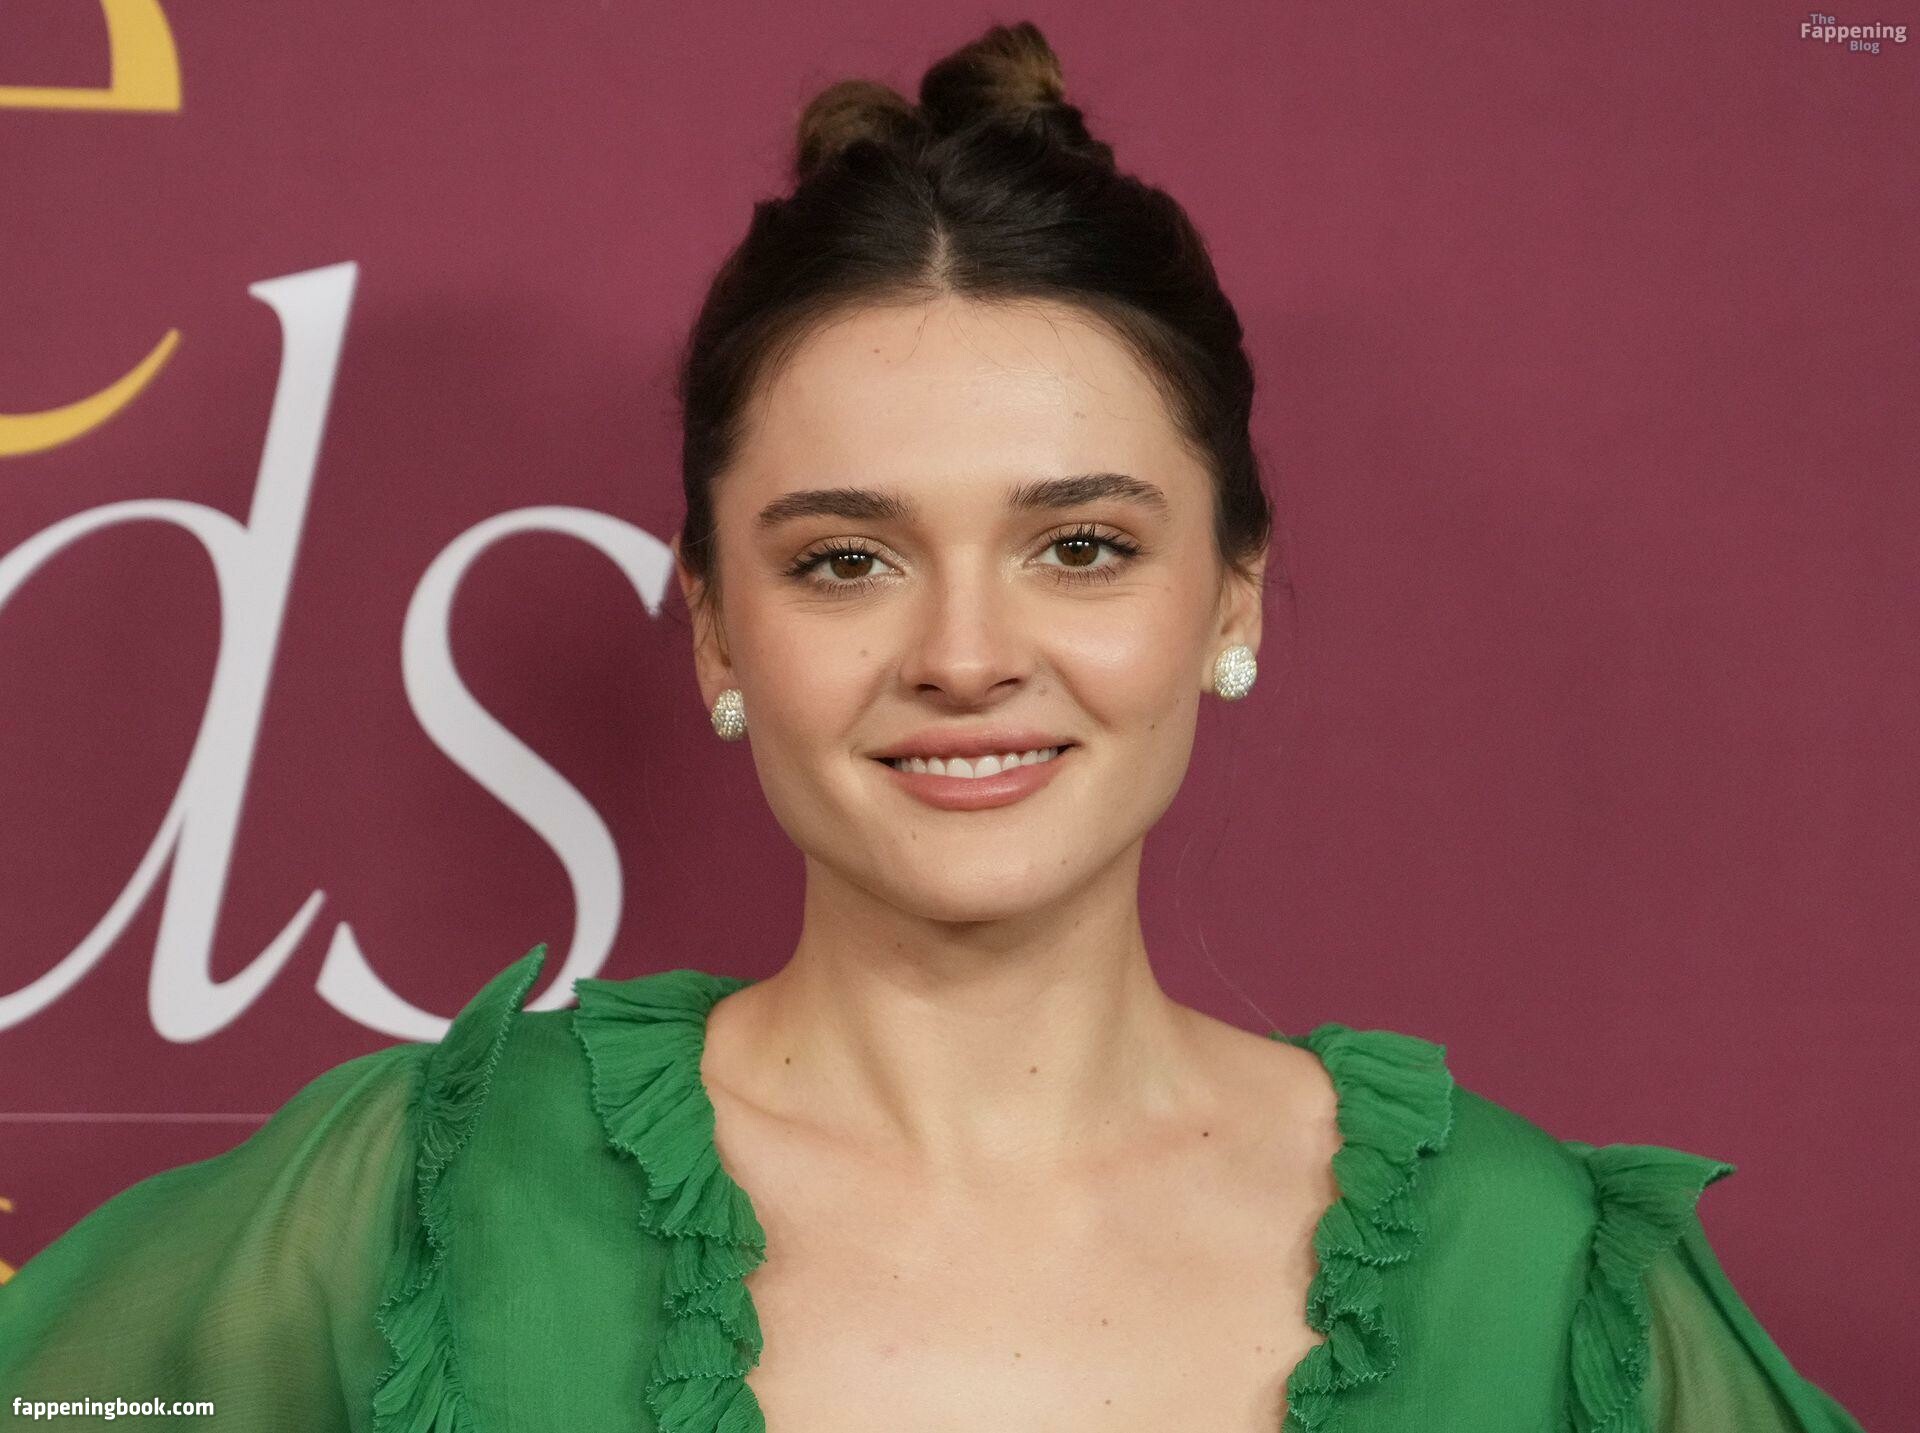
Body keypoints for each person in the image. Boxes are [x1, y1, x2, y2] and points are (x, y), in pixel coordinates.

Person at [0, 20, 1866, 1433]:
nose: (967, 655)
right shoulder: (439, 1194)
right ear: (714, 623)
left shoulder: (1522, 1273)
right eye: (845, 561)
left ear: (1229, 594)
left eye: (1080, 545)